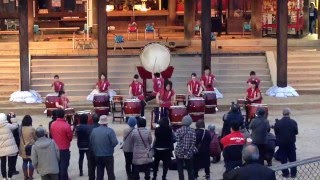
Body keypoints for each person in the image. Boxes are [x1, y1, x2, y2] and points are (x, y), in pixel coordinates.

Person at [90, 115, 118, 180]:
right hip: (108, 155)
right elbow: (115, 142)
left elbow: (91, 141)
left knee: (99, 173)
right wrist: (110, 147)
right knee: (110, 173)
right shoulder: (110, 131)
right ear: (106, 123)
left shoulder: (94, 131)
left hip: (98, 155)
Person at [274, 108, 298, 178]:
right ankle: (293, 174)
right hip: (291, 143)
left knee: (283, 159)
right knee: (293, 158)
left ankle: (286, 173)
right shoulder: (293, 122)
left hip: (281, 143)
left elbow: (276, 133)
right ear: (289, 113)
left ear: (283, 113)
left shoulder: (278, 123)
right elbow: (296, 132)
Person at [50, 109, 73, 180]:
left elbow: (52, 135)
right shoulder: (66, 125)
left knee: (58, 164)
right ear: (64, 115)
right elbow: (70, 137)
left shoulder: (53, 124)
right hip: (64, 148)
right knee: (64, 165)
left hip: (55, 147)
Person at [175, 115, 197, 180]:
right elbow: (193, 143)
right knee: (190, 169)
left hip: (179, 152)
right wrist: (188, 151)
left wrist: (182, 150)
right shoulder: (193, 131)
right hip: (189, 152)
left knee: (180, 168)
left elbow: (178, 142)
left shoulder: (178, 131)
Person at [0, 113, 19, 180]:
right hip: (11, 148)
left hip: (1, 148)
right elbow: (15, 126)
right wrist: (13, 118)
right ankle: (10, 176)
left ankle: (4, 177)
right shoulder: (8, 125)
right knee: (11, 163)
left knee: (2, 163)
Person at [19, 115, 36, 180]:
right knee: (31, 162)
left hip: (23, 147)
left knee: (24, 162)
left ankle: (25, 177)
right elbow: (35, 137)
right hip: (31, 147)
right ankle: (30, 177)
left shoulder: (20, 128)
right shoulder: (32, 128)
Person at [88, 113, 100, 180]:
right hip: (99, 150)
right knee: (99, 167)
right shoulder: (101, 127)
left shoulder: (89, 127)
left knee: (91, 167)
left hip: (91, 150)